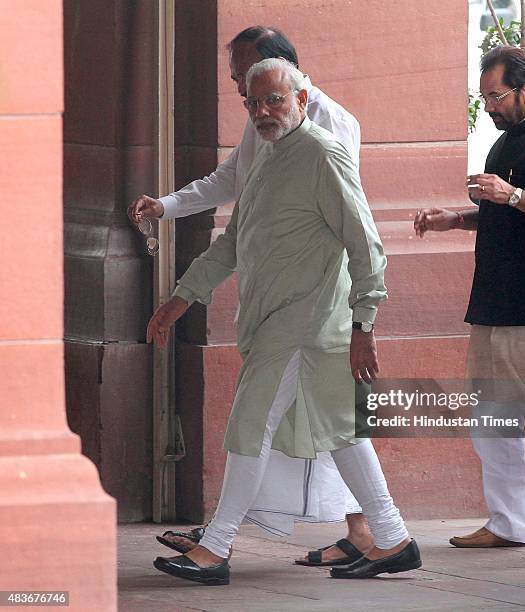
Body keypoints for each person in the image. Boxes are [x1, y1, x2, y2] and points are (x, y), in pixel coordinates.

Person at [150, 59, 422, 584]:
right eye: (253, 103)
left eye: (274, 100)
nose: (262, 112)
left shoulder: (322, 152)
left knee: (250, 424)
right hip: (283, 319)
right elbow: (235, 241)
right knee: (344, 433)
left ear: (301, 99)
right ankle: (393, 539)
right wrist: (180, 299)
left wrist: (365, 325)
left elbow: (366, 243)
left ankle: (216, 547)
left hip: (306, 321)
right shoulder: (269, 155)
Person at [128, 26, 370, 566]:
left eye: (244, 74)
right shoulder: (264, 116)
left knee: (268, 426)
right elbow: (237, 194)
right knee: (327, 429)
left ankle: (219, 542)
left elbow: (353, 229)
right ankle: (377, 534)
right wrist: (167, 208)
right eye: (242, 86)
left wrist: (362, 319)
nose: (241, 88)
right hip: (271, 299)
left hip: (311, 305)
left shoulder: (326, 127)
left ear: (286, 78)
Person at [415, 46, 525, 548]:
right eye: (484, 97)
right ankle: (508, 525)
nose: (488, 106)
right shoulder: (507, 140)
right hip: (496, 304)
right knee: (489, 418)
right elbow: (508, 212)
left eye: (495, 96)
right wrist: (459, 217)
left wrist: (510, 195)